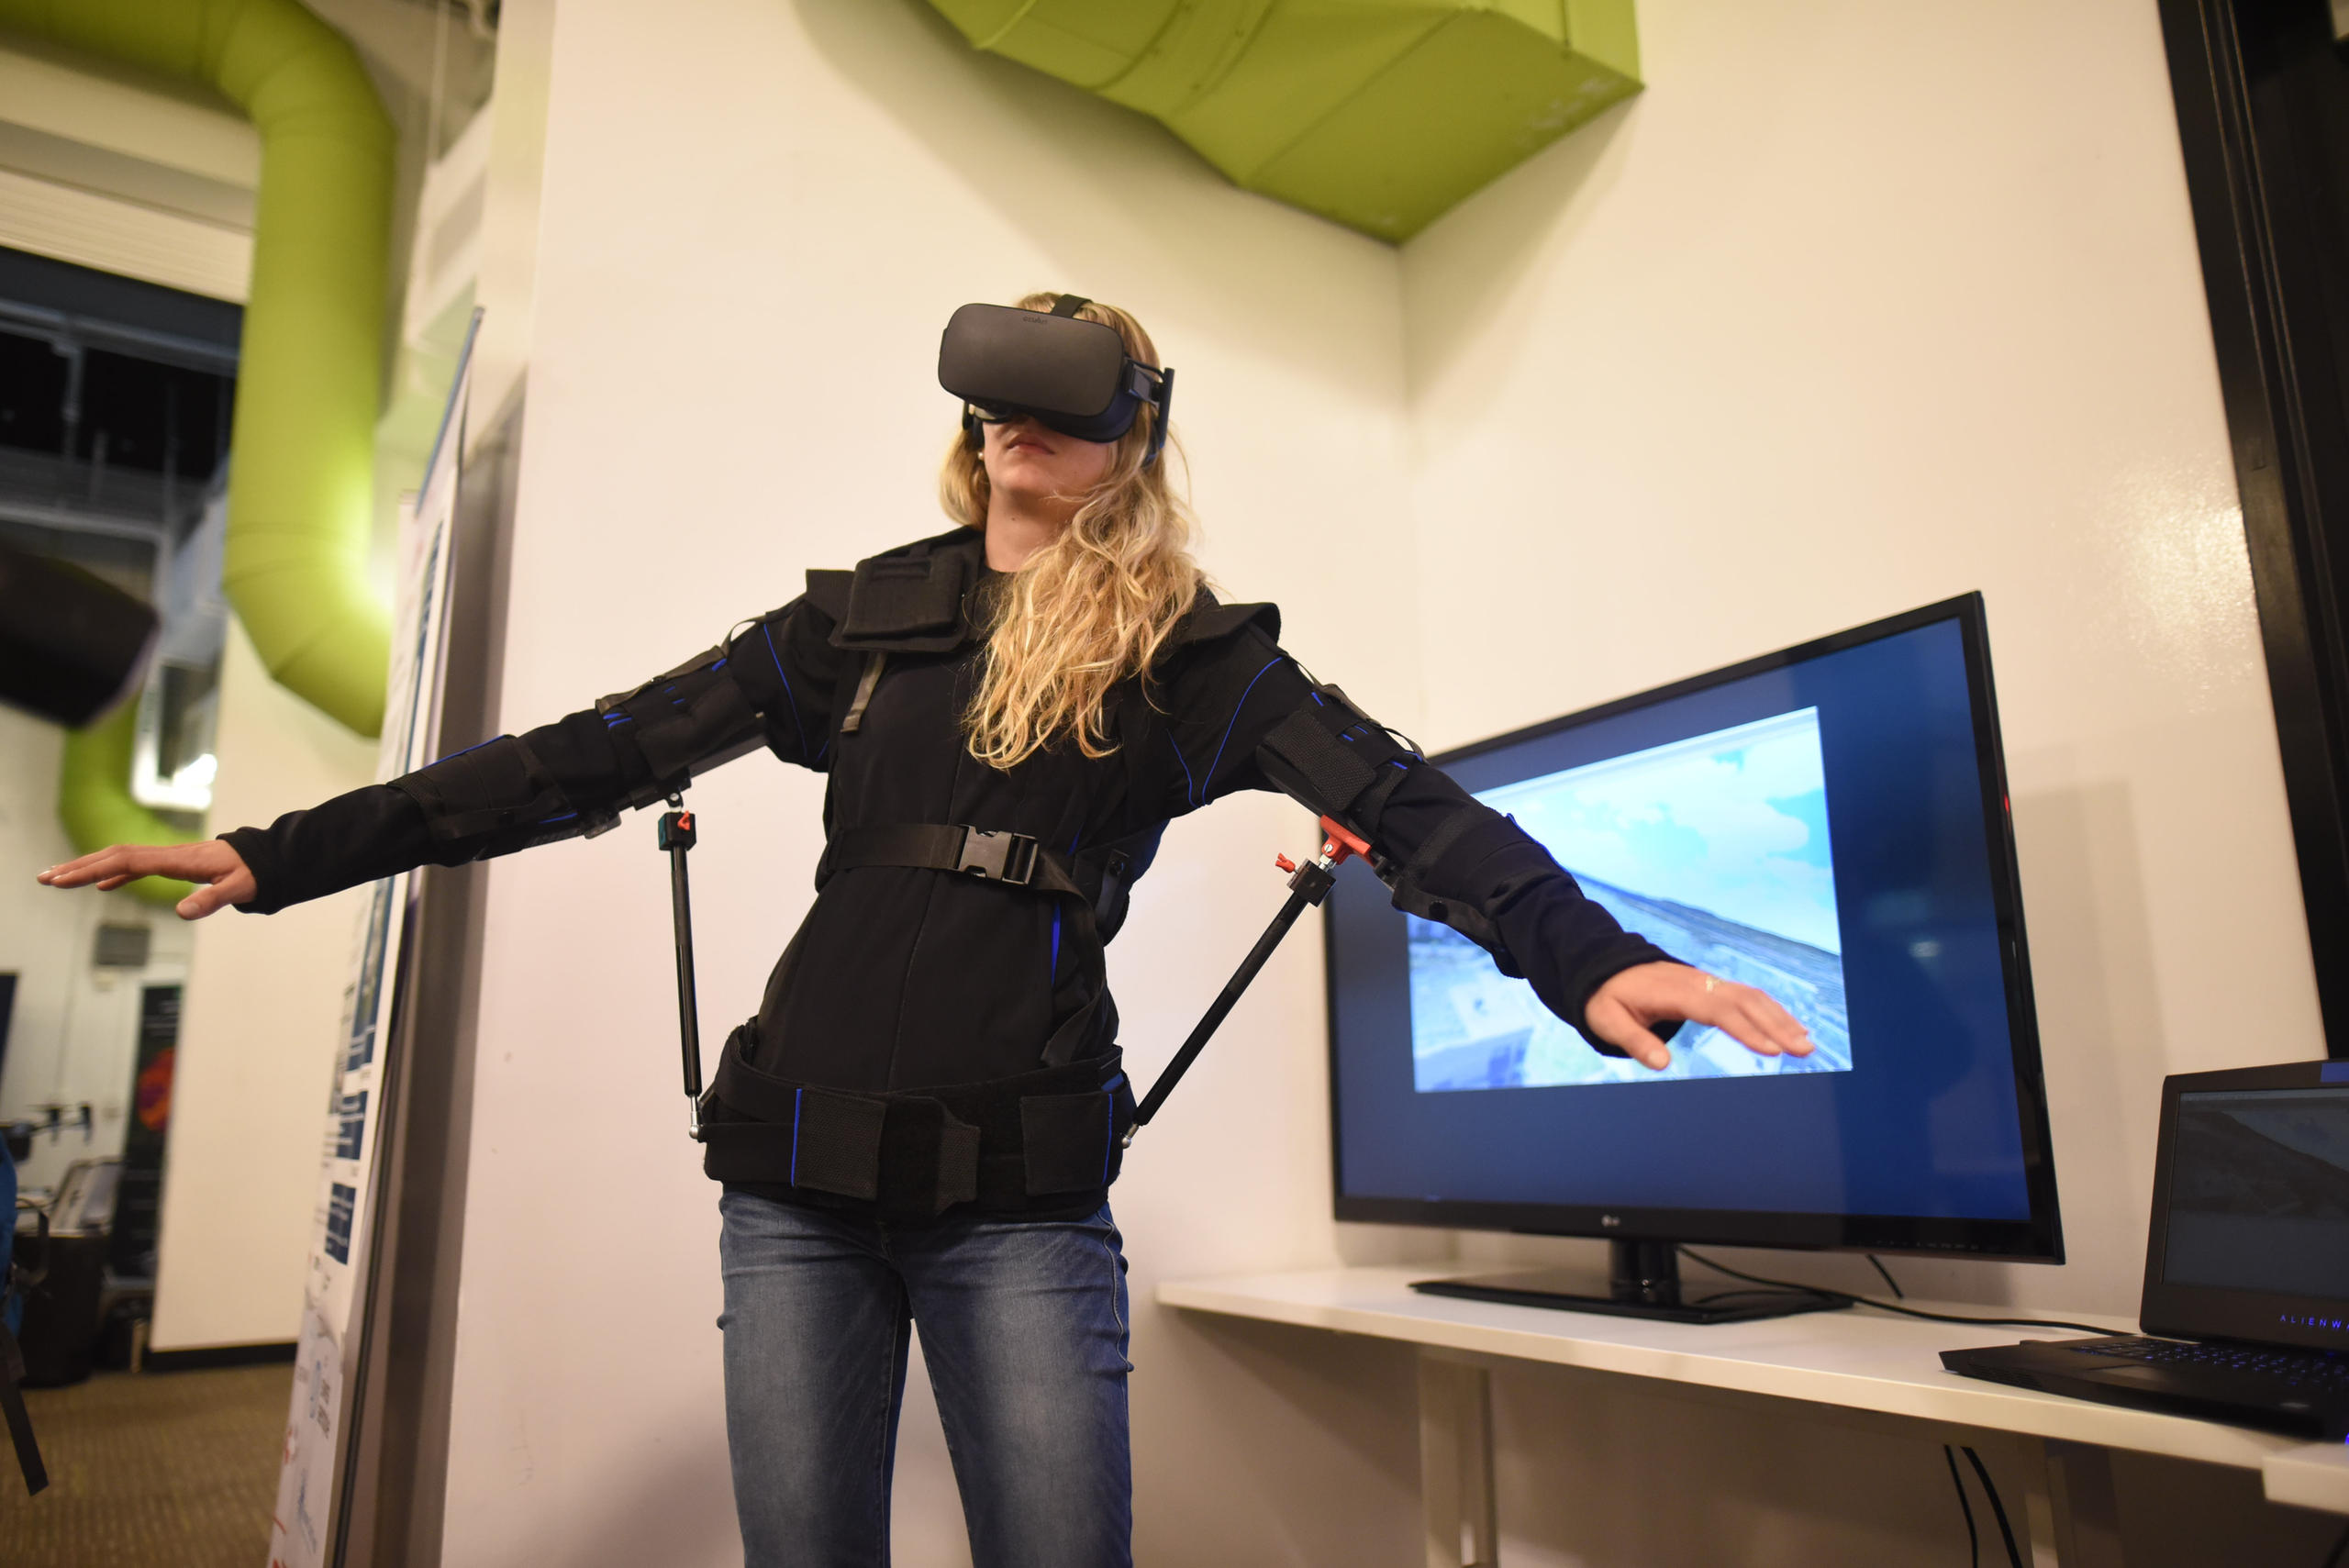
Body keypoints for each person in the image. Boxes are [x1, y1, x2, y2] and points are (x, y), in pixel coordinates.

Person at [39, 294, 1812, 1567]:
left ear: (1135, 430)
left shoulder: (1198, 660)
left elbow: (1412, 806)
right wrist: (285, 852)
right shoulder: (863, 624)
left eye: (1055, 402)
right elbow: (589, 755)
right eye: (992, 399)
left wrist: (1587, 957)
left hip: (1020, 1203)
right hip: (792, 1179)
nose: (1009, 428)